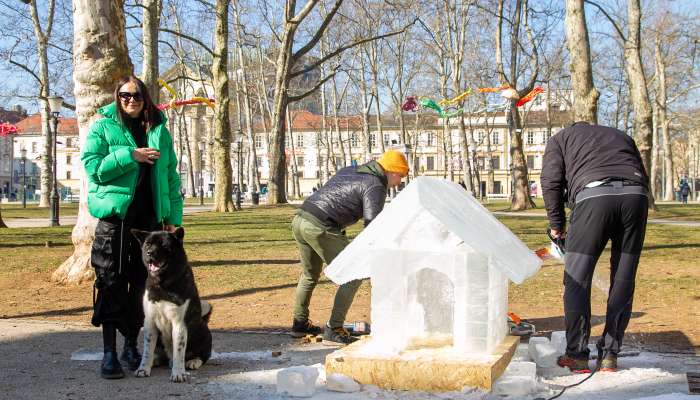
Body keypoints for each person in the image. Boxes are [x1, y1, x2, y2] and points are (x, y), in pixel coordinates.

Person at [81, 76, 183, 379]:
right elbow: (93, 169)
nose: (131, 101)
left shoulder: (158, 131)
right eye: (125, 96)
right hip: (115, 222)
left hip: (148, 224)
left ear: (145, 98)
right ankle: (109, 353)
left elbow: (171, 177)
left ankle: (130, 346)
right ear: (118, 98)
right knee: (110, 283)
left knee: (142, 285)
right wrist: (131, 155)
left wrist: (172, 216)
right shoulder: (102, 127)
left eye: (137, 96)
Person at [540, 122, 649, 373]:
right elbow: (641, 172)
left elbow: (551, 182)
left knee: (577, 279)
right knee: (623, 279)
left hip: (593, 198)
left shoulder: (559, 139)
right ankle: (610, 355)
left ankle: (577, 355)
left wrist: (557, 226)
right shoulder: (621, 135)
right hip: (636, 198)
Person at [290, 150, 409, 344]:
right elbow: (373, 227)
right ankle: (334, 328)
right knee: (354, 274)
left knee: (309, 275)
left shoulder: (351, 169)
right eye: (401, 177)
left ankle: (299, 323)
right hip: (321, 226)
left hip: (301, 218)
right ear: (392, 172)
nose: (399, 182)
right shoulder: (376, 185)